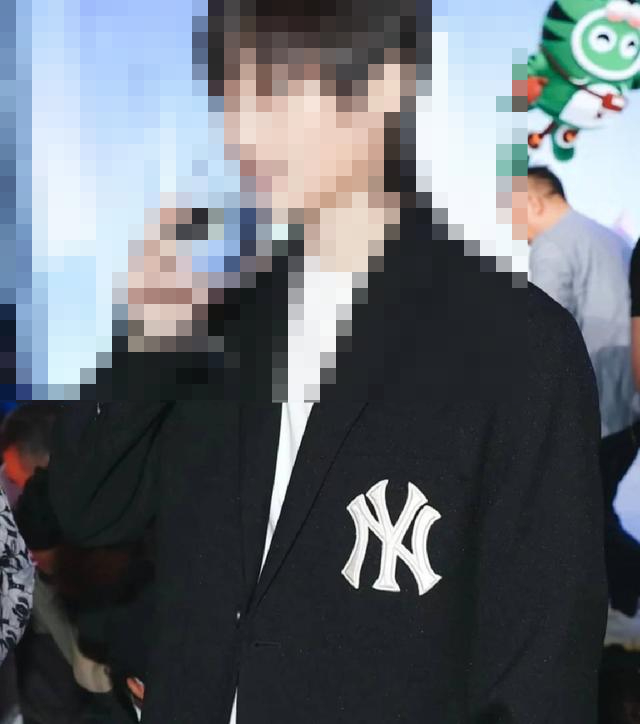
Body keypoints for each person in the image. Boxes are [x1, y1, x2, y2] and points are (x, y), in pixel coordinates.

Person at [527, 165, 640, 619]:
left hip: (591, 413)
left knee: (572, 516)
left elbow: (540, 336)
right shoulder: (612, 240)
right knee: (594, 511)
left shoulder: (552, 245)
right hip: (627, 410)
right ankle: (622, 604)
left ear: (533, 201)